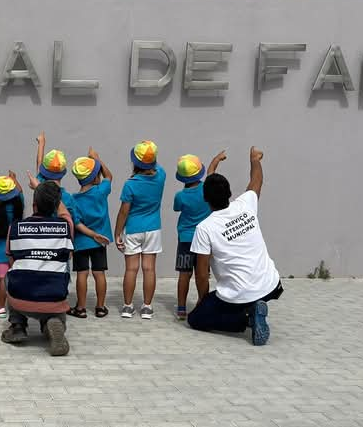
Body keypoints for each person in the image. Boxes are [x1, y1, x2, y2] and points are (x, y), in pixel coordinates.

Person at [189, 147, 282, 346]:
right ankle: (254, 308)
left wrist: (203, 301)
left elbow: (202, 273)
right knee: (237, 299)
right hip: (270, 285)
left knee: (195, 319)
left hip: (238, 294)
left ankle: (246, 319)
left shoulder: (205, 228)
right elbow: (257, 180)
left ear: (205, 199)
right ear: (230, 193)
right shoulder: (245, 204)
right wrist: (255, 159)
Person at [0, 181, 74, 357]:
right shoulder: (65, 227)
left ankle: (18, 325)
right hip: (54, 297)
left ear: (34, 205)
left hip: (21, 298)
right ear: (56, 205)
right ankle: (55, 322)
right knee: (62, 269)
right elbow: (65, 215)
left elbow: (11, 260)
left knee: (10, 275)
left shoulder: (16, 227)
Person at [114, 140, 166, 320]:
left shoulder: (130, 185)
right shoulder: (161, 176)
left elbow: (123, 212)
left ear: (135, 163)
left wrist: (117, 232)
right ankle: (147, 307)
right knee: (149, 269)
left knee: (131, 270)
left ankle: (128, 307)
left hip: (134, 229)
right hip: (153, 229)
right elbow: (156, 165)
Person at [171, 151, 226, 320]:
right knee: (202, 274)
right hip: (204, 240)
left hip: (186, 239)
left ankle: (181, 308)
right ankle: (203, 302)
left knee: (184, 274)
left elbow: (176, 209)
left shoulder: (180, 196)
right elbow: (211, 172)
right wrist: (216, 159)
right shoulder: (206, 188)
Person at [69, 148, 114, 319]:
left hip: (81, 242)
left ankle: (80, 308)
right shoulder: (100, 191)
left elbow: (77, 223)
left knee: (82, 273)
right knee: (99, 273)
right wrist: (98, 159)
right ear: (96, 177)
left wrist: (90, 234)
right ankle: (100, 307)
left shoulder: (74, 199)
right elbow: (109, 176)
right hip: (99, 242)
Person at [0, 173, 23, 319]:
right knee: (17, 278)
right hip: (18, 247)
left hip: (2, 247)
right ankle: (19, 307)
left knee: (3, 278)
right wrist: (14, 179)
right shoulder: (19, 204)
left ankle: (1, 309)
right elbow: (20, 191)